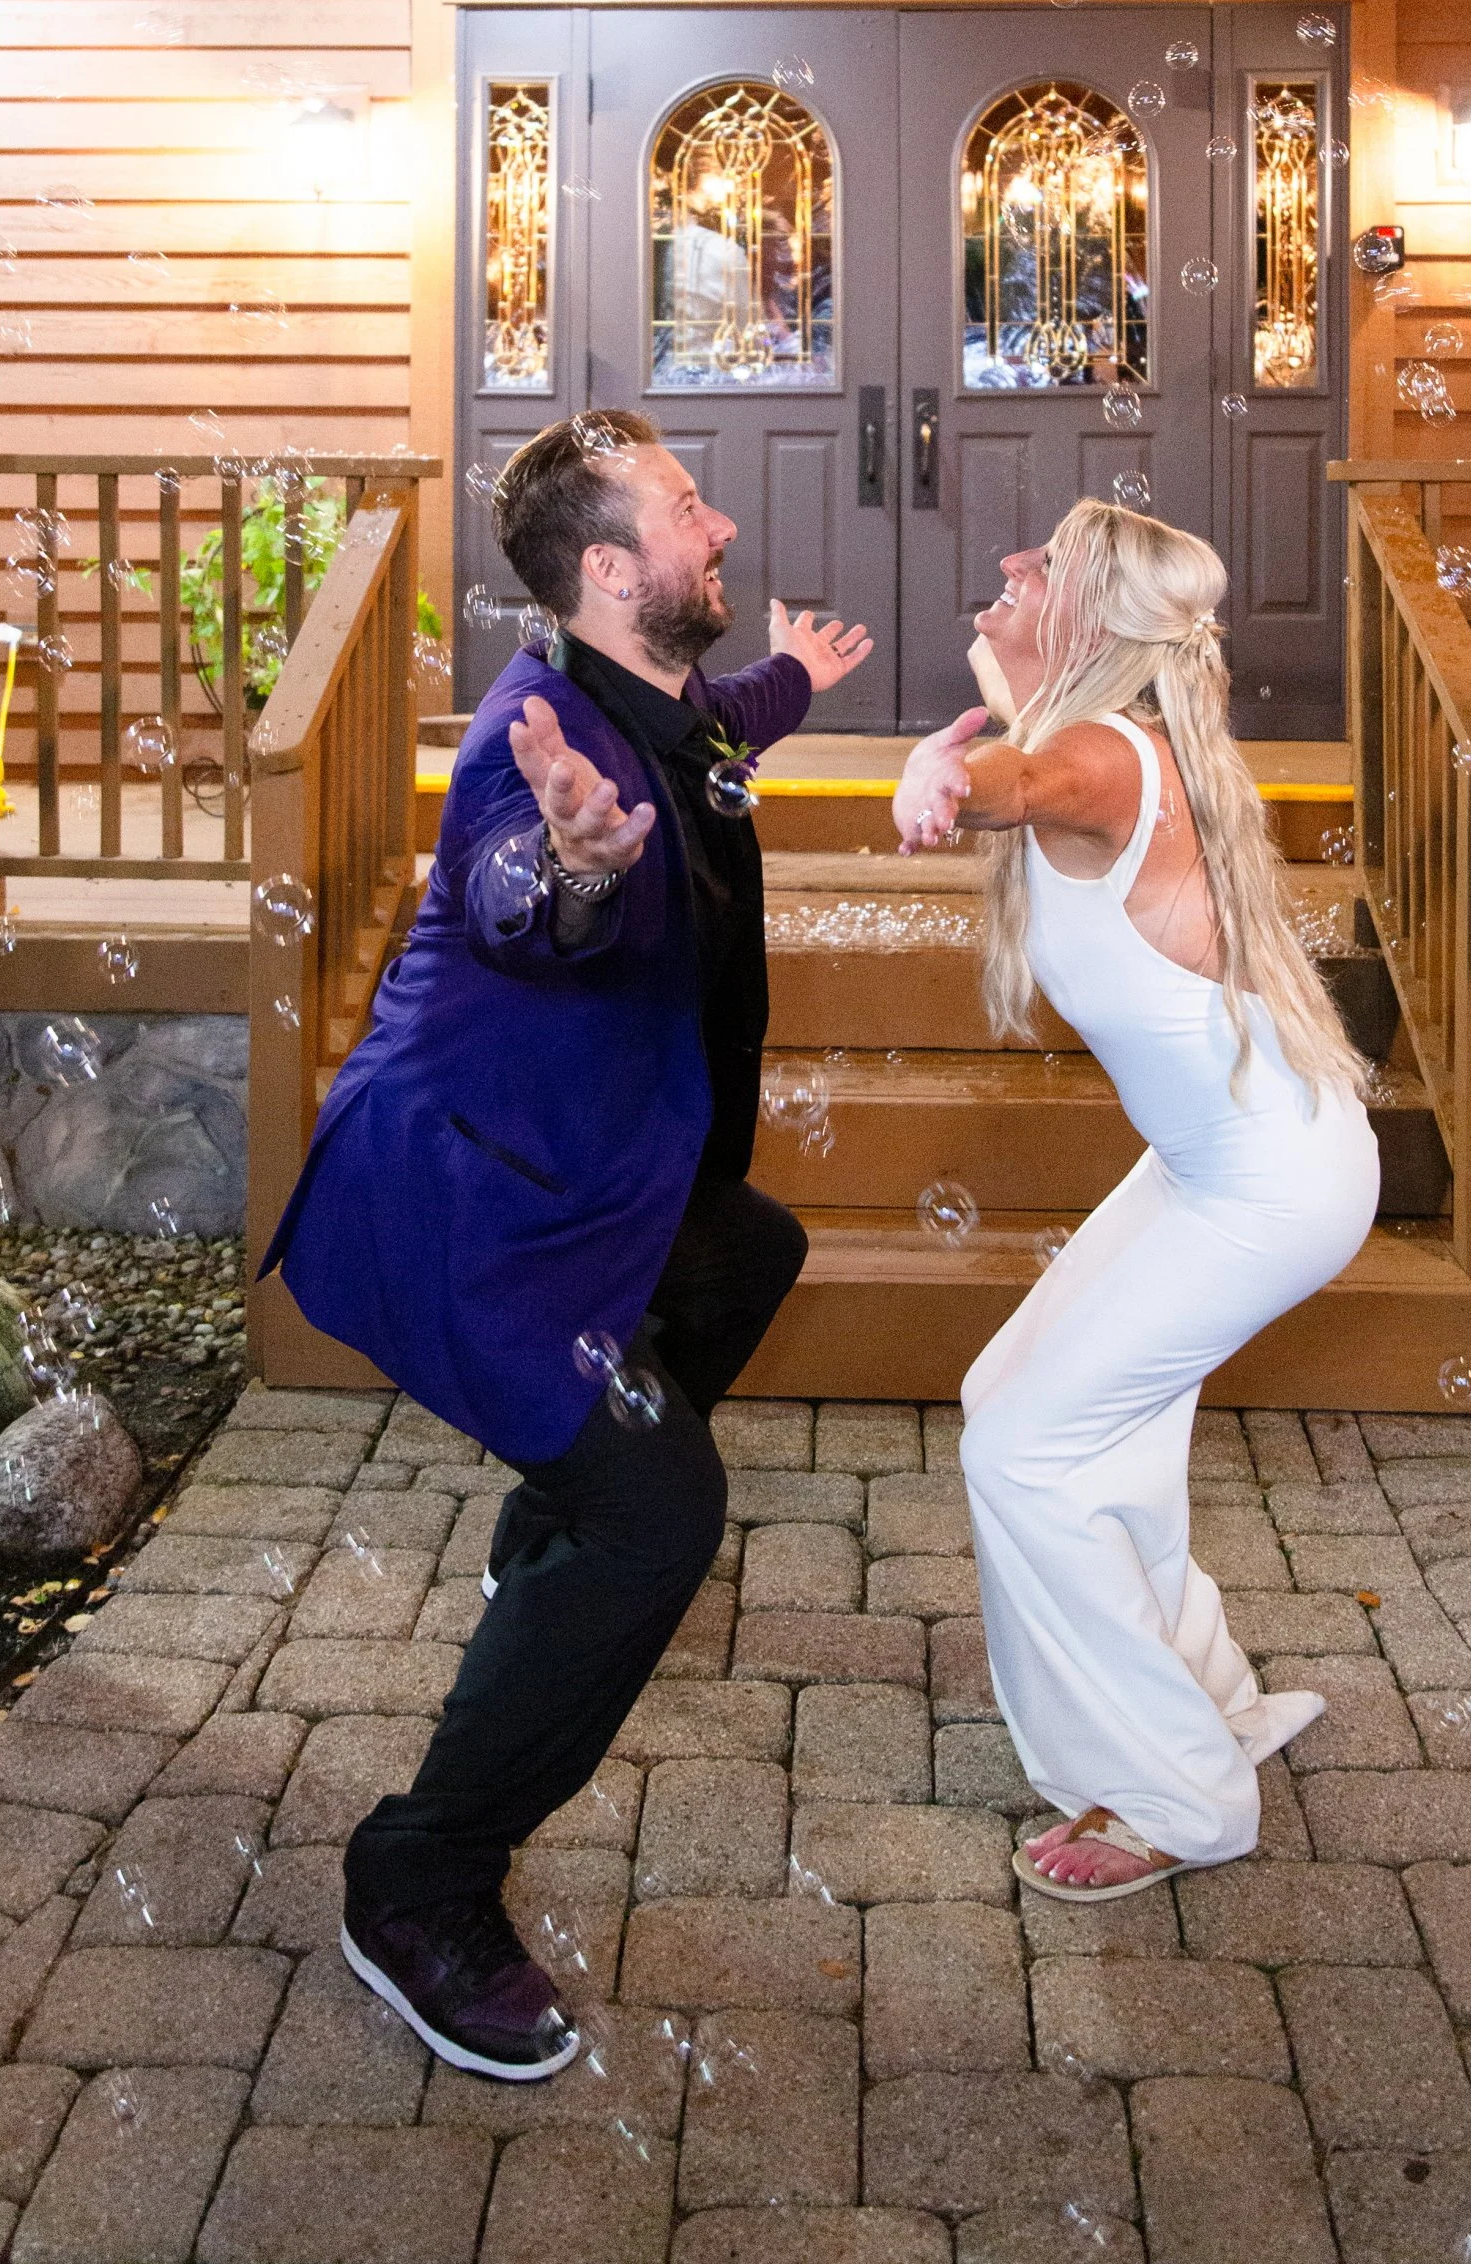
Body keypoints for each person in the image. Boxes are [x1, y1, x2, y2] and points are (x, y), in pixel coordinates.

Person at [263, 410, 871, 2069]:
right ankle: (421, 1879)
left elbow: (718, 728)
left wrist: (799, 679)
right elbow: (522, 891)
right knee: (660, 1511)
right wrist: (582, 876)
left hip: (600, 1178)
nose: (723, 525)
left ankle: (548, 1533)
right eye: (690, 510)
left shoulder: (653, 699)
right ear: (611, 571)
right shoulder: (527, 745)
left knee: (750, 1256)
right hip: (471, 1204)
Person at [891, 501, 1379, 1898]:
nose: (1003, 564)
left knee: (1025, 1454)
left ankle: (1179, 1793)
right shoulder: (1102, 731)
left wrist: (953, 782)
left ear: (1094, 620)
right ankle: (1204, 1695)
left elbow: (1029, 785)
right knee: (1019, 1402)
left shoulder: (1104, 759)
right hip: (1218, 1164)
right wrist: (984, 718)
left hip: (1270, 1185)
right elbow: (1028, 741)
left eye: (1032, 565)